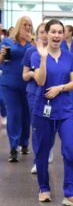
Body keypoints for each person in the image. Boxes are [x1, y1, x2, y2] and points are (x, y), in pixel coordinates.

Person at [31, 19, 73, 206]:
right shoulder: (37, 54)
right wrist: (44, 58)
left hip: (65, 110)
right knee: (42, 151)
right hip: (43, 110)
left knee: (69, 149)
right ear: (46, 34)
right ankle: (44, 187)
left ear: (64, 35)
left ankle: (70, 193)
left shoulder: (69, 56)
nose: (56, 35)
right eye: (52, 32)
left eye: (59, 32)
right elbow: (39, 81)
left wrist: (60, 88)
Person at [22, 22, 54, 174]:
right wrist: (33, 74)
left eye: (46, 32)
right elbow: (24, 75)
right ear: (38, 34)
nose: (44, 35)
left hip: (51, 95)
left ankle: (48, 148)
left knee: (51, 127)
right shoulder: (31, 52)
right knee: (36, 127)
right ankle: (38, 161)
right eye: (41, 32)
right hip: (34, 94)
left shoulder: (57, 52)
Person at [0, 16, 32, 162]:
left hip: (28, 84)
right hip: (9, 84)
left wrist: (32, 42)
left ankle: (24, 143)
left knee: (26, 114)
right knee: (14, 114)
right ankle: (13, 147)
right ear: (19, 25)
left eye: (30, 25)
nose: (27, 27)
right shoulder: (7, 42)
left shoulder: (32, 44)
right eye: (25, 24)